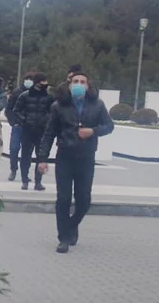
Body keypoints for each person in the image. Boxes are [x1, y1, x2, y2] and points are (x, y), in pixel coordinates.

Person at [38, 70, 113, 253]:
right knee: (63, 198)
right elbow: (49, 133)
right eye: (75, 81)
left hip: (86, 159)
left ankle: (71, 225)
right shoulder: (58, 106)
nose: (79, 84)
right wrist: (42, 159)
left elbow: (109, 126)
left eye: (82, 82)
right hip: (65, 157)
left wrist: (93, 131)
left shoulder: (98, 105)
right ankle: (63, 238)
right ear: (70, 85)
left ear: (88, 86)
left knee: (84, 200)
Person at [9, 73, 53, 190]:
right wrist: (24, 121)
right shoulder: (24, 96)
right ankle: (25, 180)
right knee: (25, 156)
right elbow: (16, 110)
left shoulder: (48, 97)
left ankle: (38, 182)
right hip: (28, 130)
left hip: (41, 131)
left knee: (40, 157)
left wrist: (46, 121)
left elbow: (52, 113)